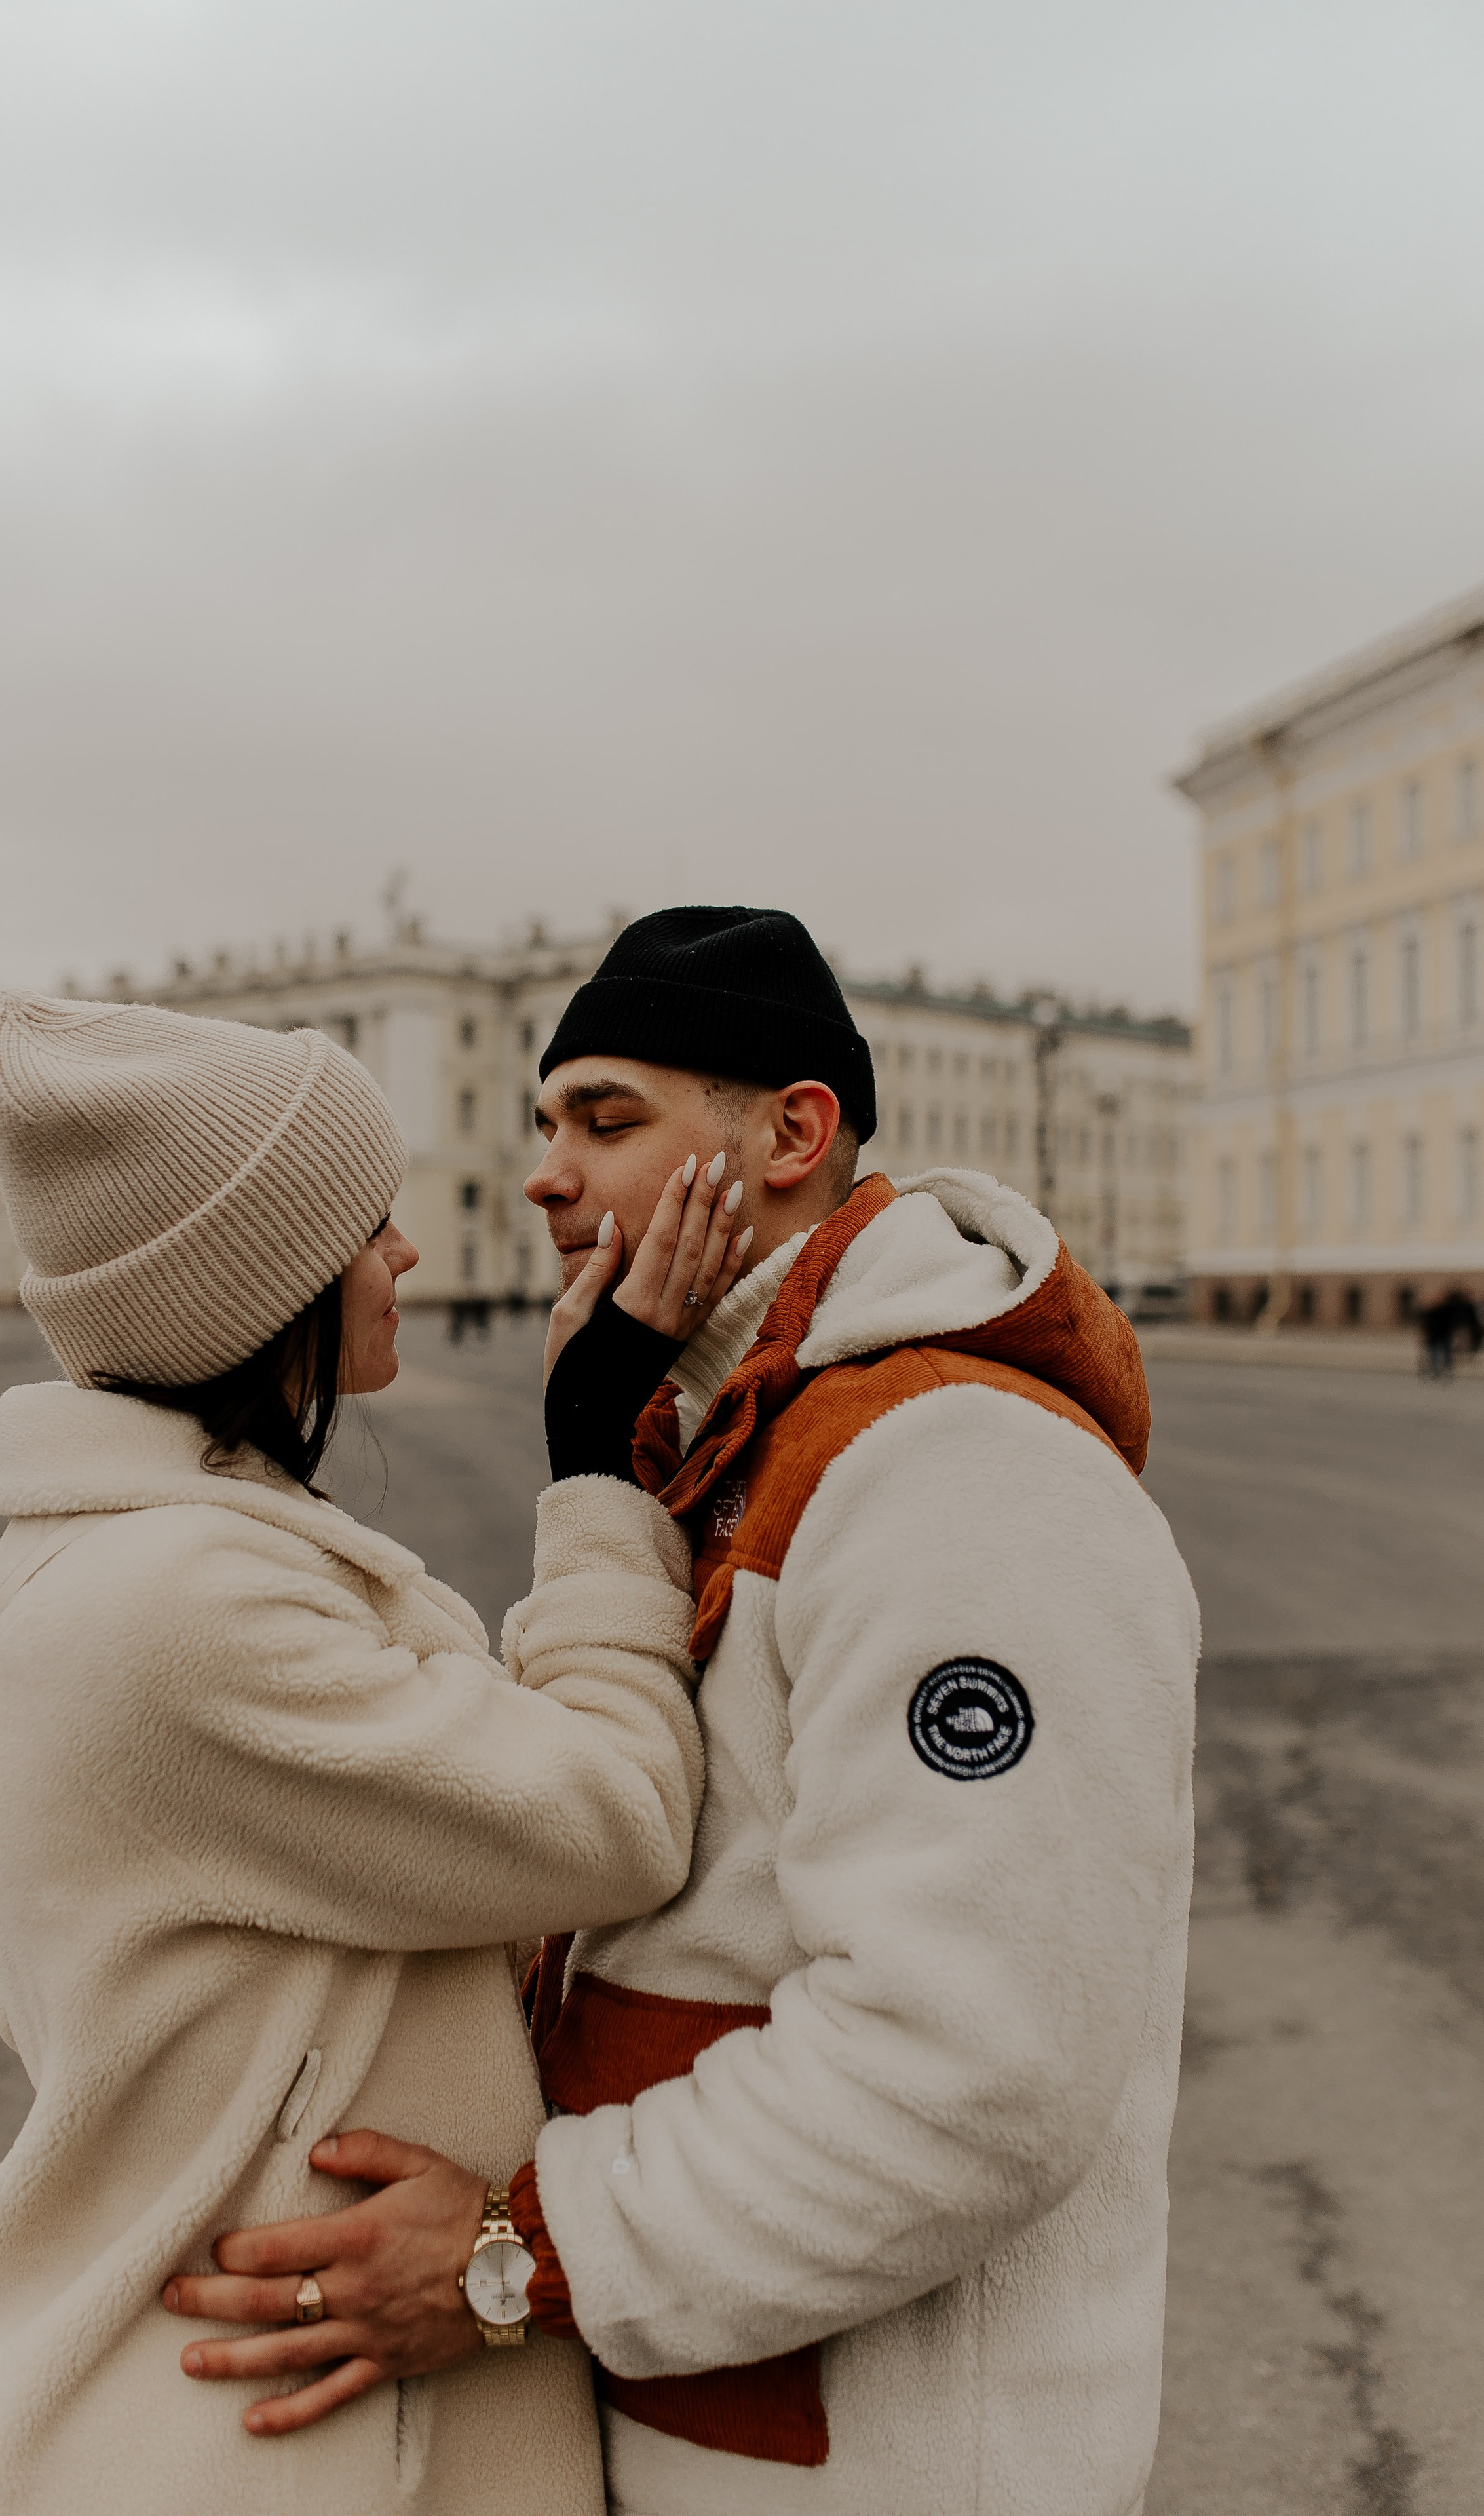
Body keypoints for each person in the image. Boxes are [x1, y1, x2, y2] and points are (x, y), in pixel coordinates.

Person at [172, 907, 1201, 2516]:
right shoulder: (737, 1439)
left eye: (605, 1117)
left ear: (793, 1131)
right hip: (726, 2425)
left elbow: (970, 2065)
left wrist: (515, 2249)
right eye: (538, 1124)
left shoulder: (953, 1467)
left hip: (892, 2467)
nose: (540, 1176)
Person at [0, 988, 747, 2516]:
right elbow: (612, 1812)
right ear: (258, 1282)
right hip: (247, 2456)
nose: (407, 1254)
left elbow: (458, 1783)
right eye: (367, 1225)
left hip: (246, 2422)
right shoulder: (180, 1604)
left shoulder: (154, 1558)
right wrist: (594, 1469)